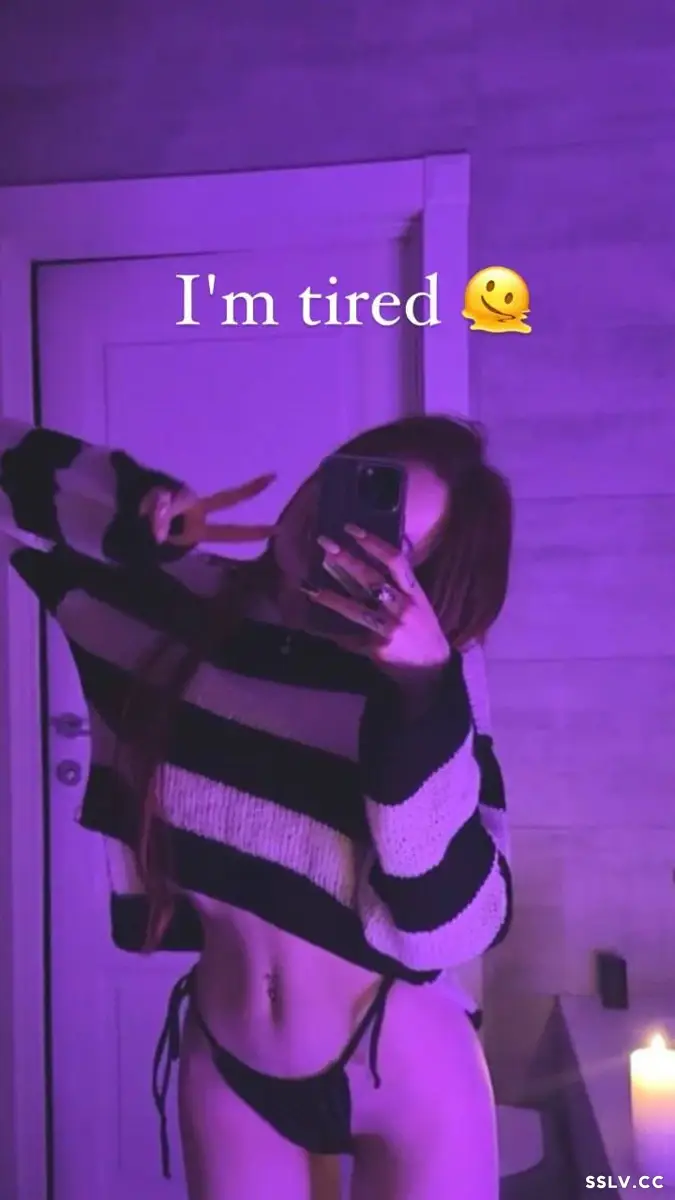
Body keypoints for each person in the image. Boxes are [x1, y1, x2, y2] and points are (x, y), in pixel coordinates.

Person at [0, 412, 513, 1200]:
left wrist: (419, 692)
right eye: (349, 488)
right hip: (227, 1059)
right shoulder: (175, 602)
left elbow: (454, 923)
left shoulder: (431, 684)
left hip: (405, 1065)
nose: (337, 535)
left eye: (386, 541)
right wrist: (122, 507)